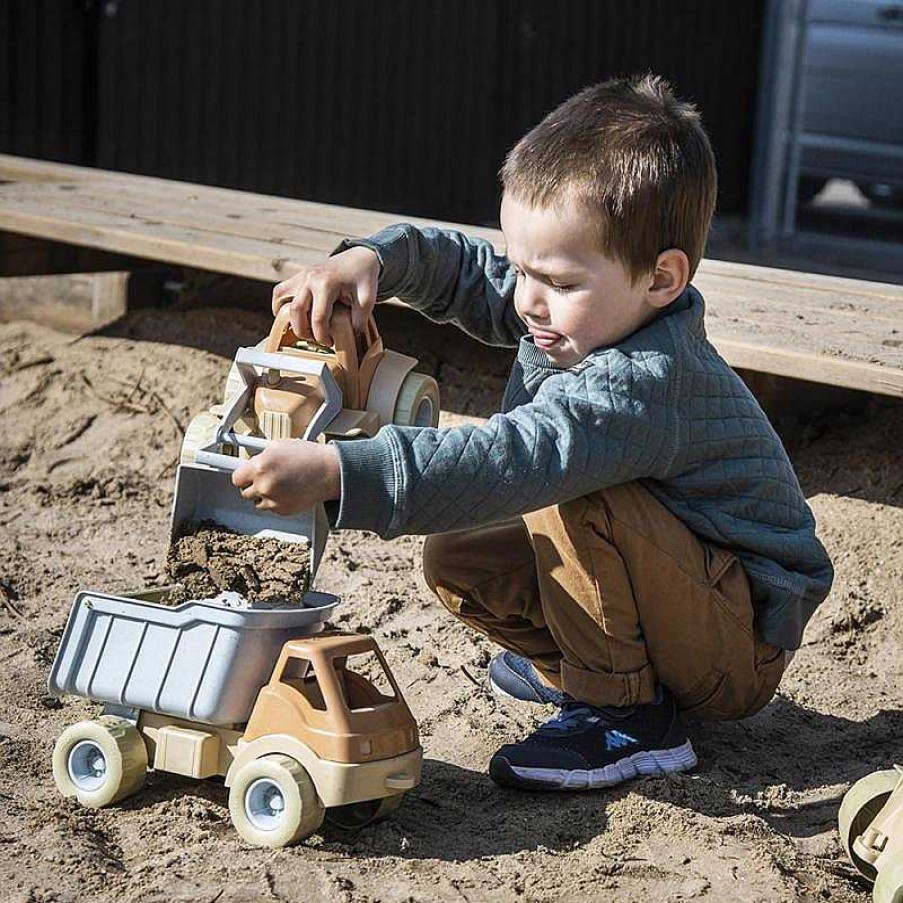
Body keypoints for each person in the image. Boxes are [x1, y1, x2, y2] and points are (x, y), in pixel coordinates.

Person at [232, 74, 833, 791]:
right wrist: (370, 260)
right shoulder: (578, 307)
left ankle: (627, 714)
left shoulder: (640, 380)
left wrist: (343, 471)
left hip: (740, 639)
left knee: (570, 490)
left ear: (661, 279)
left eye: (558, 281)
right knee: (460, 554)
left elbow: (514, 457)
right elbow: (461, 268)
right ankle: (585, 666)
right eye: (521, 268)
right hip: (683, 593)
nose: (527, 300)